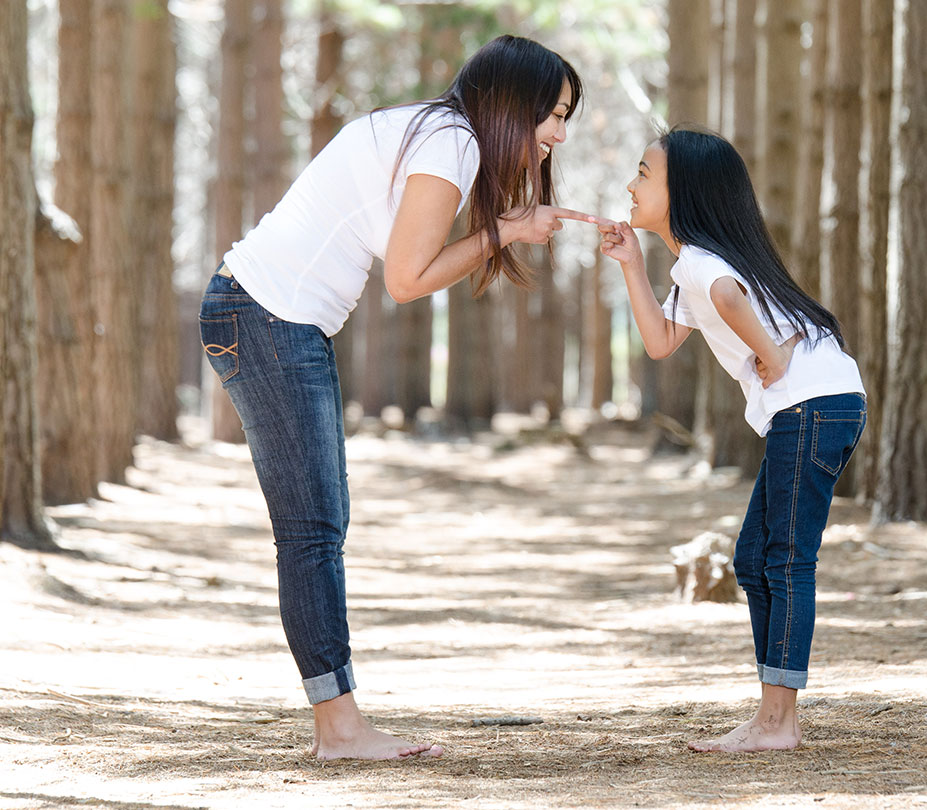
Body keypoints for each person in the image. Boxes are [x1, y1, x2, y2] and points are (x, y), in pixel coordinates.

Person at [199, 35, 596, 761]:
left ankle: (339, 723)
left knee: (320, 525)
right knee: (312, 530)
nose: (559, 136)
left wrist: (504, 225)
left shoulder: (434, 132)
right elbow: (407, 280)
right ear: (515, 103)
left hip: (268, 315)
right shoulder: (451, 142)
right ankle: (340, 730)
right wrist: (508, 229)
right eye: (555, 114)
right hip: (267, 316)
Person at [598, 128, 865, 752]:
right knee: (753, 558)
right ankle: (772, 717)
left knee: (785, 559)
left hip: (813, 406)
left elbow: (726, 295)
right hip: (817, 405)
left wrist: (770, 352)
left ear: (683, 191)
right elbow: (660, 342)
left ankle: (779, 723)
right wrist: (632, 263)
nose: (632, 186)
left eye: (644, 174)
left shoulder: (702, 265)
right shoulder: (694, 262)